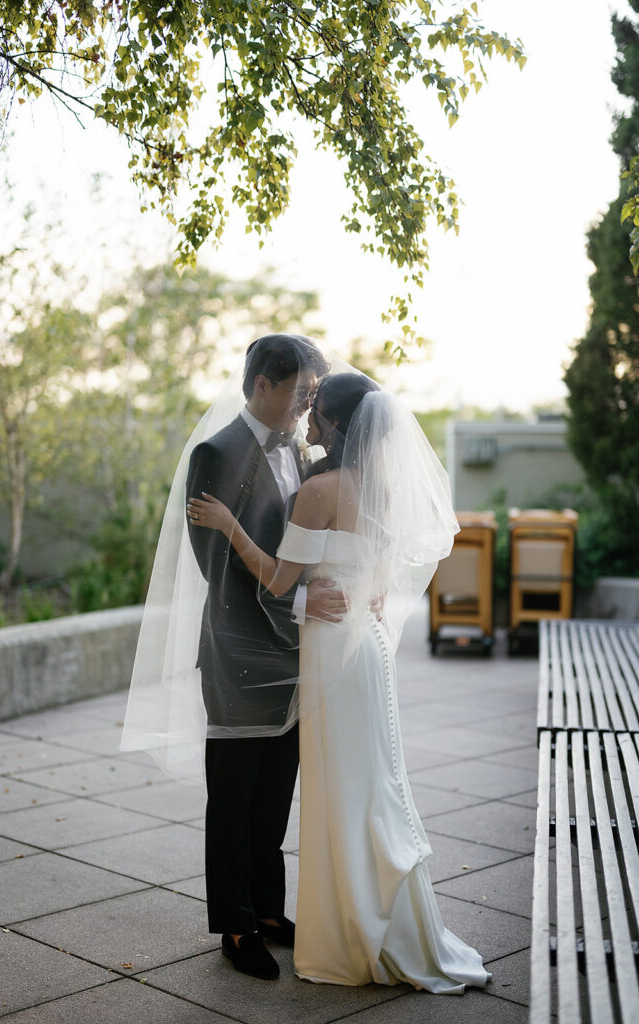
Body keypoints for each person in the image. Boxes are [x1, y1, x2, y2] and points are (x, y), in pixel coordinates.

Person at [187, 371, 492, 993]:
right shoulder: (383, 489)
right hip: (368, 649)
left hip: (331, 653)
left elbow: (277, 578)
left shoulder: (319, 487)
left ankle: (351, 932)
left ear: (336, 423)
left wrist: (229, 525)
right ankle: (380, 922)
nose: (308, 414)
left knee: (341, 791)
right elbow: (377, 581)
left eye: (317, 406)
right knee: (370, 785)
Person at [184, 334, 347, 982]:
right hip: (240, 653)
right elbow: (216, 570)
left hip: (291, 651)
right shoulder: (216, 453)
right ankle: (234, 923)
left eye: (314, 394)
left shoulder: (297, 452)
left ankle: (269, 911)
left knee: (275, 790)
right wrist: (303, 603)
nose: (309, 405)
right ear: (263, 386)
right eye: (302, 392)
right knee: (232, 795)